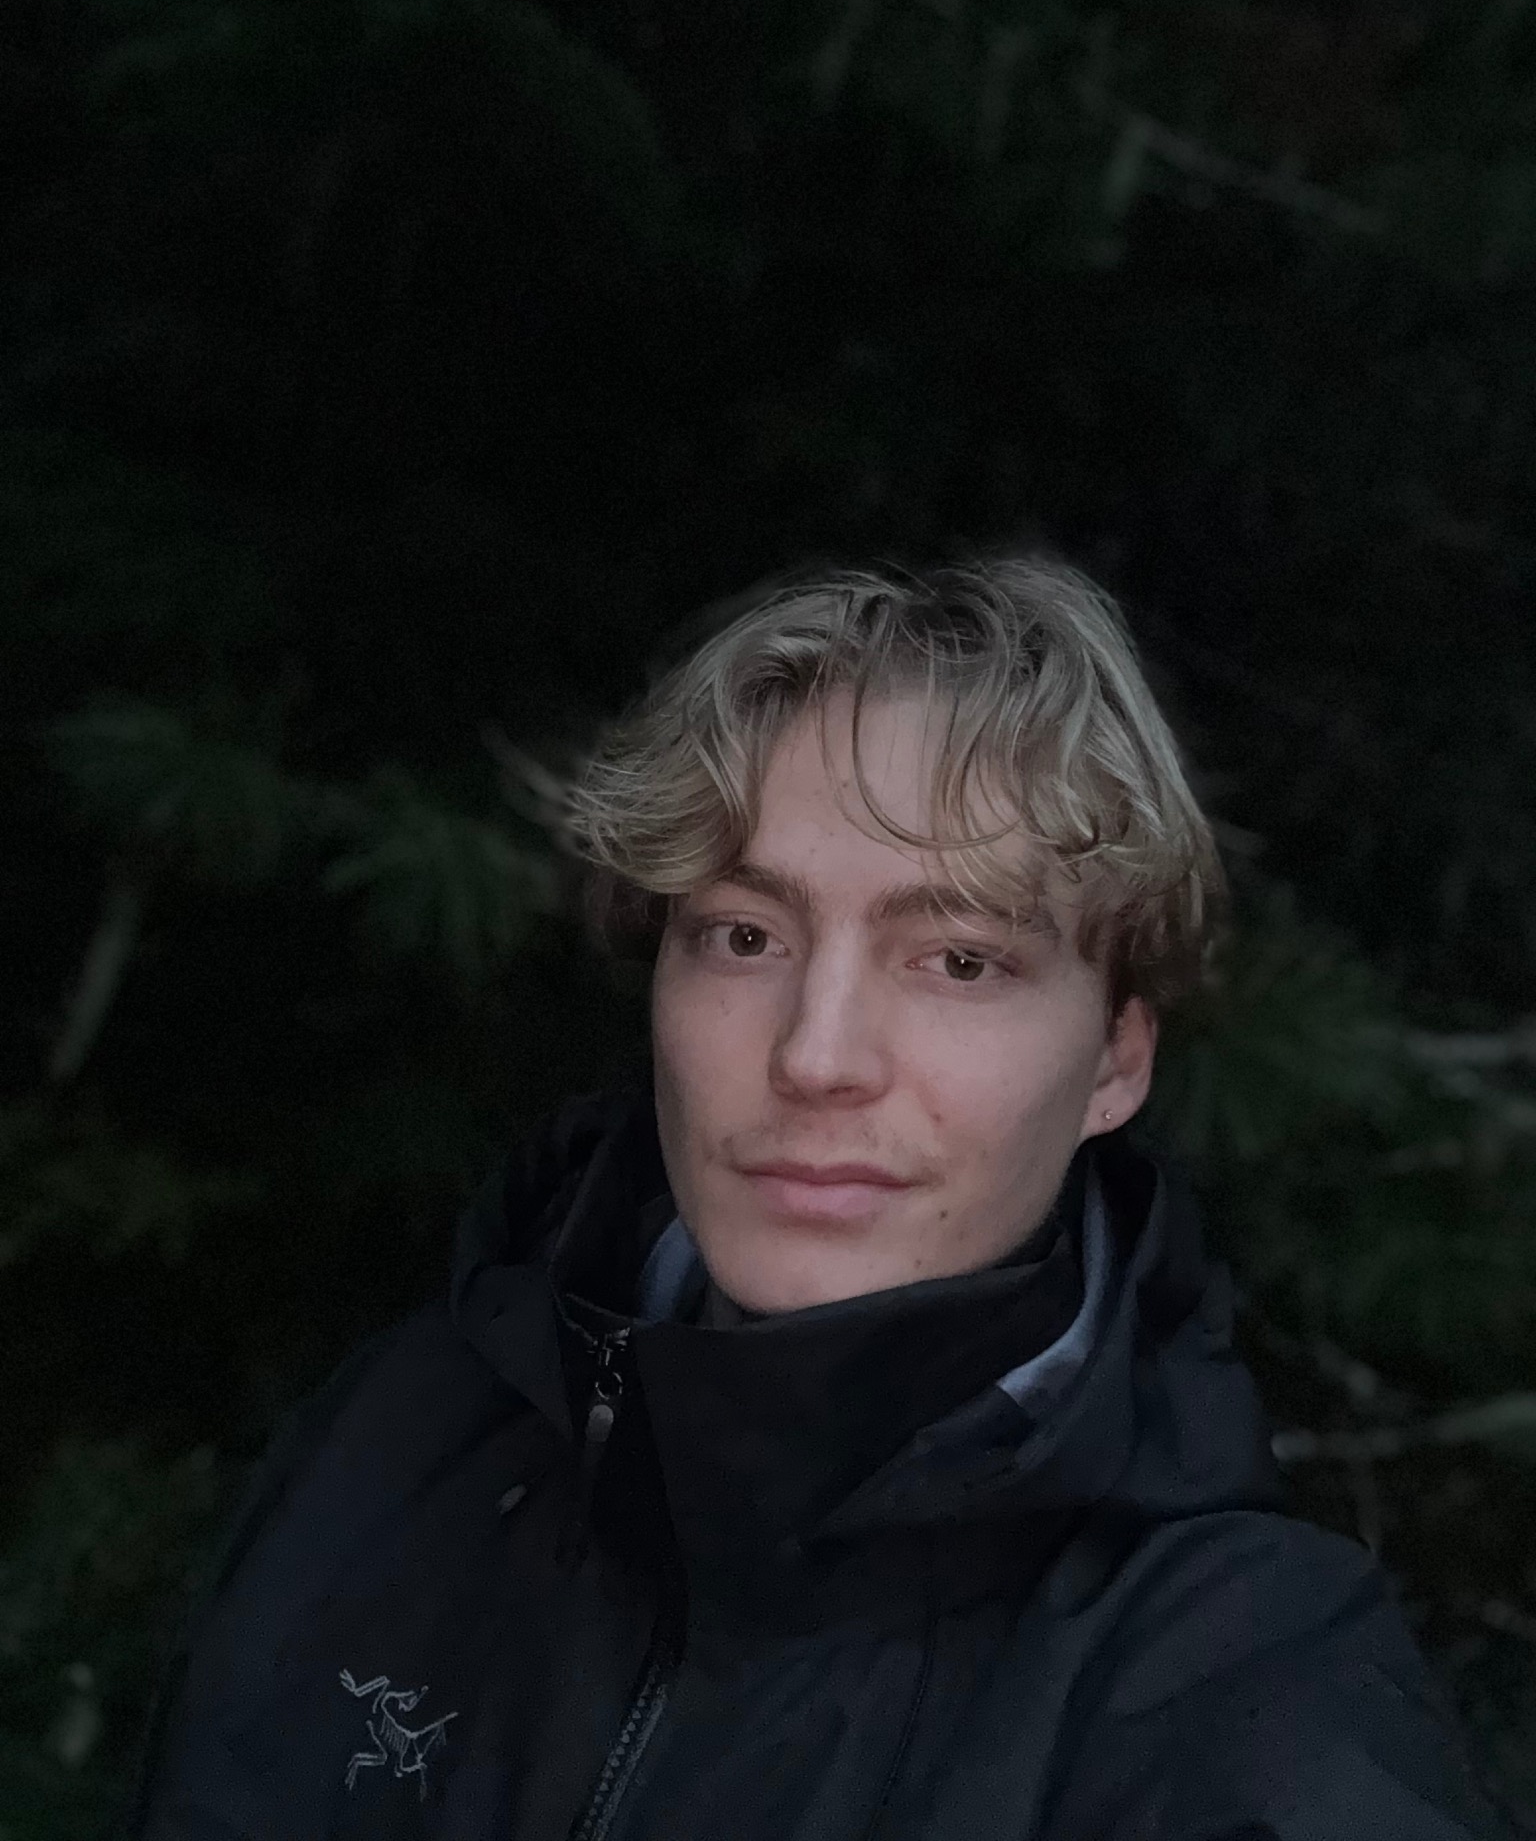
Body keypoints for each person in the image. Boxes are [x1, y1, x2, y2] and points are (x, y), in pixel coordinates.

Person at [125, 553, 1513, 1841]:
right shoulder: (403, 1440)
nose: (815, 1055)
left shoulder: (1246, 1696)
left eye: (958, 959)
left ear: (1115, 1060)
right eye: (744, 935)